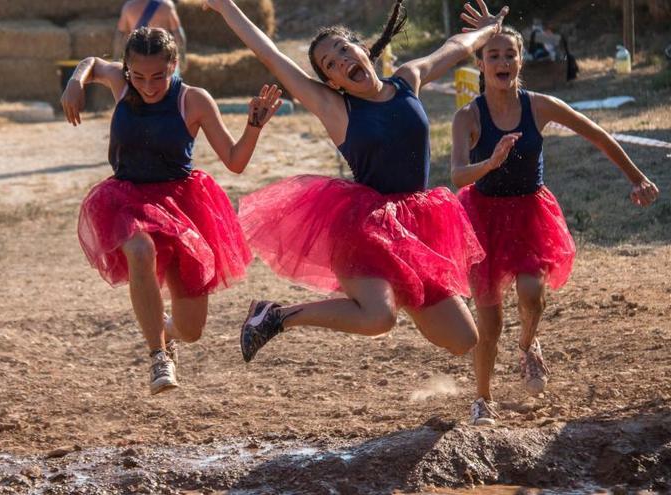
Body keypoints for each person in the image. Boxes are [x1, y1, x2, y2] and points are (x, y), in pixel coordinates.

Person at [201, 0, 508, 363]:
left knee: (463, 338)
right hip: (365, 229)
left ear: (363, 49)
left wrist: (491, 29)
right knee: (379, 317)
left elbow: (455, 48)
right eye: (331, 64)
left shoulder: (408, 79)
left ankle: (398, 286)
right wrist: (226, 8)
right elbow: (270, 55)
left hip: (416, 226)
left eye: (345, 50)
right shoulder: (335, 107)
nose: (342, 61)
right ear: (331, 81)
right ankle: (277, 316)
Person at [450, 27, 659, 426]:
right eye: (493, 56)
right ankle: (482, 398)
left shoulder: (539, 106)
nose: (502, 63)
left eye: (509, 55)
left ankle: (528, 347)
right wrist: (490, 162)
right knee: (488, 324)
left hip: (530, 213)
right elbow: (458, 175)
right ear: (480, 64)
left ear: (520, 61)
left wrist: (636, 177)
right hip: (482, 219)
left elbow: (595, 134)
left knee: (533, 294)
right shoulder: (468, 116)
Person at [61, 27, 282, 394]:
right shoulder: (122, 82)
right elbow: (92, 63)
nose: (148, 86)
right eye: (139, 76)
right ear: (127, 70)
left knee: (192, 329)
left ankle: (165, 329)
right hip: (127, 199)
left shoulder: (193, 100)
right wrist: (75, 81)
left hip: (182, 208)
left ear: (175, 65)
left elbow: (235, 161)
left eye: (159, 76)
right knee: (139, 249)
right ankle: (158, 356)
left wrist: (253, 127)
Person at [113, 0, 186, 71]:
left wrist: (116, 58)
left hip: (137, 57)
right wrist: (182, 57)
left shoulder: (129, 6)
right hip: (163, 56)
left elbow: (120, 34)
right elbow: (178, 33)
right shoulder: (167, 5)